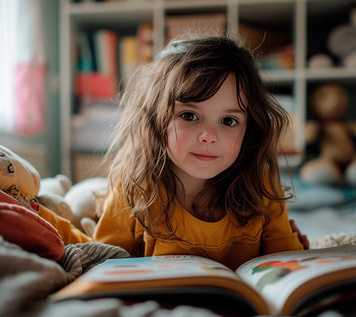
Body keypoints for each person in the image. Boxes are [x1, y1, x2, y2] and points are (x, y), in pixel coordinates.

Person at [92, 35, 307, 270]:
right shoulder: (133, 189)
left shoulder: (261, 188)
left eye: (228, 120)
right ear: (155, 119)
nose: (209, 135)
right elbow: (101, 263)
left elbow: (287, 265)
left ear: (249, 130)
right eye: (189, 116)